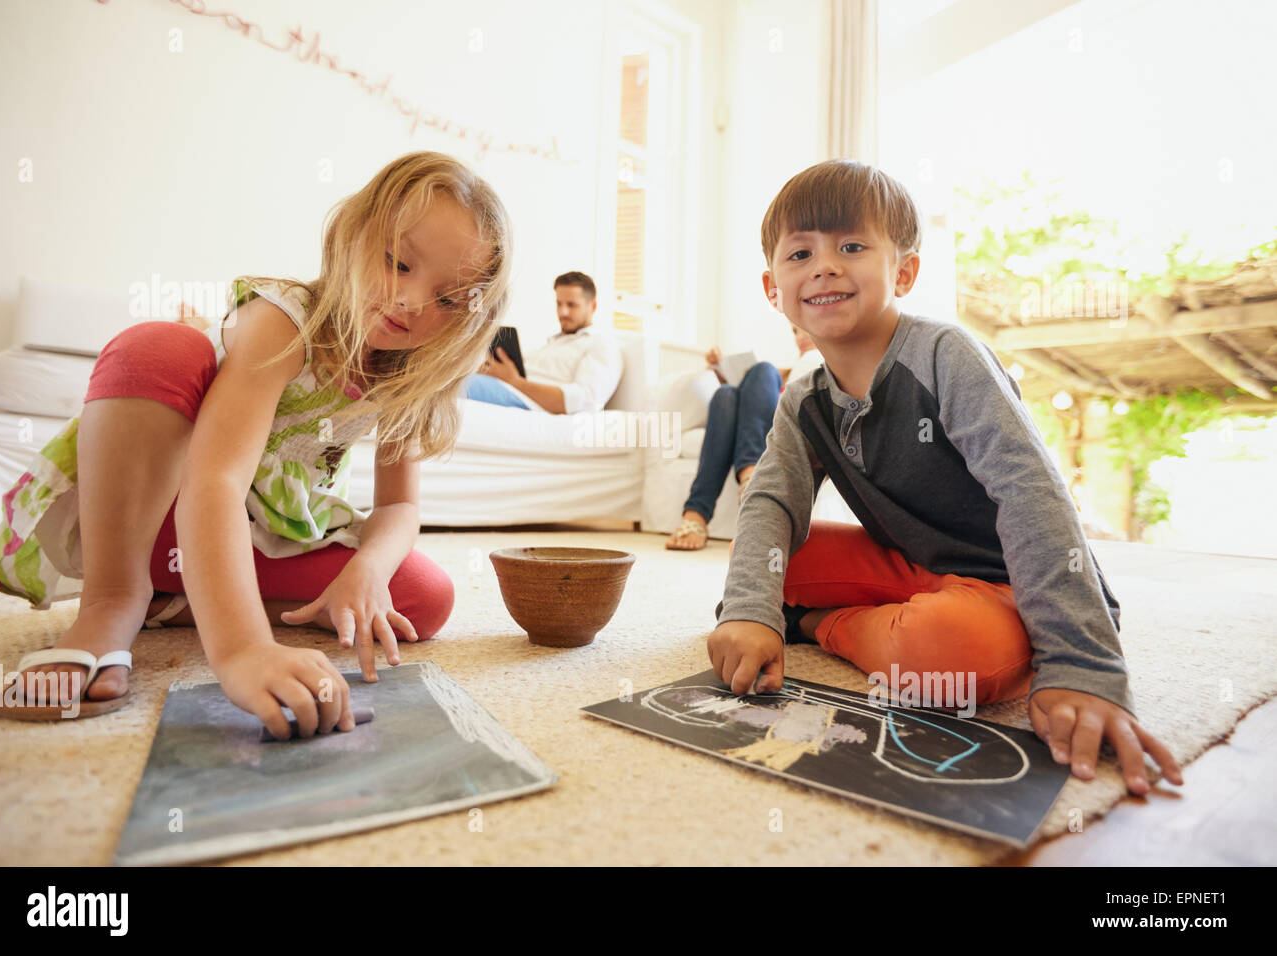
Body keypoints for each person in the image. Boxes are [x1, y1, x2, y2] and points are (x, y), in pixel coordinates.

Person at [0, 151, 513, 739]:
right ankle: (115, 600)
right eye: (397, 262)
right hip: (162, 512)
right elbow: (214, 482)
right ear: (352, 235)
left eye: (448, 299)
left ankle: (174, 604)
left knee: (421, 599)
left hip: (264, 532)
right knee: (160, 344)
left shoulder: (409, 375)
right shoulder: (286, 321)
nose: (411, 302)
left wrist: (367, 568)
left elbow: (399, 508)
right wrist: (243, 648)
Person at [706, 159, 1183, 795]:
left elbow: (1030, 491)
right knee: (759, 558)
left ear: (903, 271)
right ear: (775, 288)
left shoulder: (946, 355)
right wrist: (748, 611)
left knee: (945, 657)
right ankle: (815, 613)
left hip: (1004, 584)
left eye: (851, 246)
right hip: (908, 566)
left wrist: (1080, 664)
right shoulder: (803, 397)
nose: (824, 266)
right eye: (801, 253)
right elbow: (772, 502)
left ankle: (821, 625)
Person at [665, 325, 820, 550]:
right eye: (795, 332)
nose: (800, 337)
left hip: (778, 430)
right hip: (749, 430)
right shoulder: (783, 373)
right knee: (725, 395)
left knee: (763, 370)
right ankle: (703, 508)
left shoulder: (804, 373)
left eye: (805, 329)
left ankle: (699, 510)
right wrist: (719, 371)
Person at [465, 271, 622, 413]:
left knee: (455, 384)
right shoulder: (557, 343)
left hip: (526, 400)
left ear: (592, 306)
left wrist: (514, 381)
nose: (563, 312)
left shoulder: (602, 344)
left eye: (571, 305)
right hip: (509, 388)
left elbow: (586, 400)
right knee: (455, 373)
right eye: (559, 303)